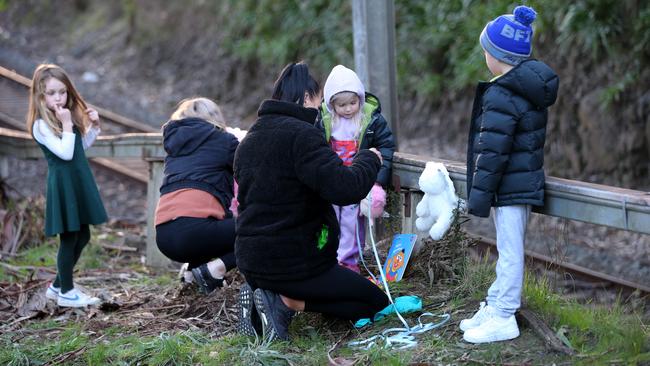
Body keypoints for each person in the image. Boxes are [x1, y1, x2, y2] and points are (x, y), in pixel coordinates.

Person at [234, 62, 390, 342]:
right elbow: (345, 188)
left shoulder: (250, 139)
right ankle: (285, 303)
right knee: (375, 303)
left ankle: (267, 296)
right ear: (306, 98)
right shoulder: (302, 136)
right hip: (296, 265)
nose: (320, 110)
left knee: (350, 296)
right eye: (319, 101)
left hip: (251, 261)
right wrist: (369, 158)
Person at [461, 6, 559, 343]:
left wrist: (479, 195)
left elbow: (492, 150)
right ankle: (496, 303)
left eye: (486, 51)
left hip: (510, 185)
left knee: (510, 251)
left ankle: (504, 315)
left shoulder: (503, 93)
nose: (484, 56)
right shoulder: (523, 88)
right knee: (507, 249)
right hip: (518, 181)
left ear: (496, 56)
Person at [27, 64, 107, 308]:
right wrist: (68, 125)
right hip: (63, 184)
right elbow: (63, 152)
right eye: (52, 93)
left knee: (83, 235)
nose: (59, 98)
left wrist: (94, 127)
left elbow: (78, 149)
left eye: (62, 92)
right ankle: (67, 293)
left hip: (77, 180)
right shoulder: (41, 125)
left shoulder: (63, 118)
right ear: (40, 96)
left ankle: (57, 286)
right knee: (69, 237)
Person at [154, 98, 239, 294]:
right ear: (216, 118)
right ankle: (215, 270)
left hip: (164, 236)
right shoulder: (225, 141)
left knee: (210, 226)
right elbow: (250, 173)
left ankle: (192, 273)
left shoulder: (174, 148)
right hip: (193, 233)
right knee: (258, 228)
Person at [316, 64, 395, 273]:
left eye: (353, 102)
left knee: (352, 222)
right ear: (332, 105)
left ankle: (348, 260)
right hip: (331, 180)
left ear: (360, 98)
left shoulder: (370, 120)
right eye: (342, 105)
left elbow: (386, 146)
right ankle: (325, 257)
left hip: (356, 180)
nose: (349, 108)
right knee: (327, 219)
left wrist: (377, 179)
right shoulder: (324, 121)